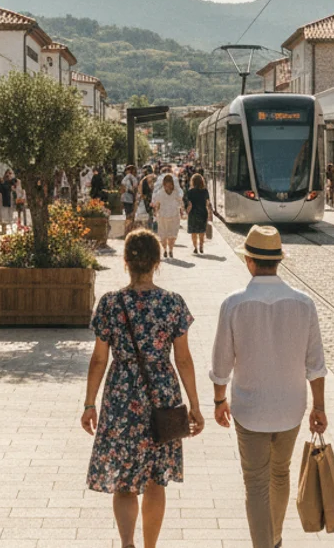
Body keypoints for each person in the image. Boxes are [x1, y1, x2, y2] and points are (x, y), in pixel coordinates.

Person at [82, 230, 205, 548]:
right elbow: (184, 359)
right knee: (155, 479)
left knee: (124, 480)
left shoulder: (110, 303)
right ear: (157, 262)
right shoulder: (172, 303)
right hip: (162, 396)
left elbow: (98, 359)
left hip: (121, 395)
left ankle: (127, 545)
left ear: (126, 263)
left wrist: (89, 403)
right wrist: (194, 404)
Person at [211, 226, 327, 548]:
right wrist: (319, 407)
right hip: (291, 408)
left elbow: (222, 362)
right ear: (278, 261)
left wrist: (219, 399)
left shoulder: (233, 305)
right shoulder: (304, 304)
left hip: (250, 409)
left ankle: (266, 544)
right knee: (280, 474)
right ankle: (274, 538)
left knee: (256, 483)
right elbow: (315, 364)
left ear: (249, 261)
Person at [151, 174, 184, 259]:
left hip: (174, 216)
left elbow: (181, 202)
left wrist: (182, 211)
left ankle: (171, 250)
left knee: (172, 234)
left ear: (172, 184)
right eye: (166, 184)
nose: (168, 186)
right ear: (164, 184)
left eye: (170, 184)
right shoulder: (160, 193)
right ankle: (165, 249)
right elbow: (157, 204)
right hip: (162, 216)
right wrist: (155, 212)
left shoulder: (176, 193)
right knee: (163, 235)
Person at [186, 173, 213, 255]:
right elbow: (208, 203)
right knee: (202, 232)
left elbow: (189, 204)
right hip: (202, 213)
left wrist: (187, 212)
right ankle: (201, 246)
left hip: (193, 213)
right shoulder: (205, 191)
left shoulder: (190, 191)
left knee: (193, 232)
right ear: (202, 181)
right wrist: (210, 213)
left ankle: (195, 248)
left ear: (192, 182)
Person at [0, 170, 16, 234]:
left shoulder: (11, 182)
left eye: (10, 173)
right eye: (7, 173)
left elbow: (14, 186)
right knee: (1, 216)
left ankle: (4, 231)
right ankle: (0, 230)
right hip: (2, 201)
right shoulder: (1, 182)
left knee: (5, 217)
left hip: (7, 201)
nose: (8, 175)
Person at [121, 165, 139, 233]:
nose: (126, 171)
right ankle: (129, 230)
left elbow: (124, 185)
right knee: (130, 215)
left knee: (128, 215)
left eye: (127, 170)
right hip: (130, 198)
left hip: (127, 198)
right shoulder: (133, 178)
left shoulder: (128, 177)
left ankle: (127, 230)